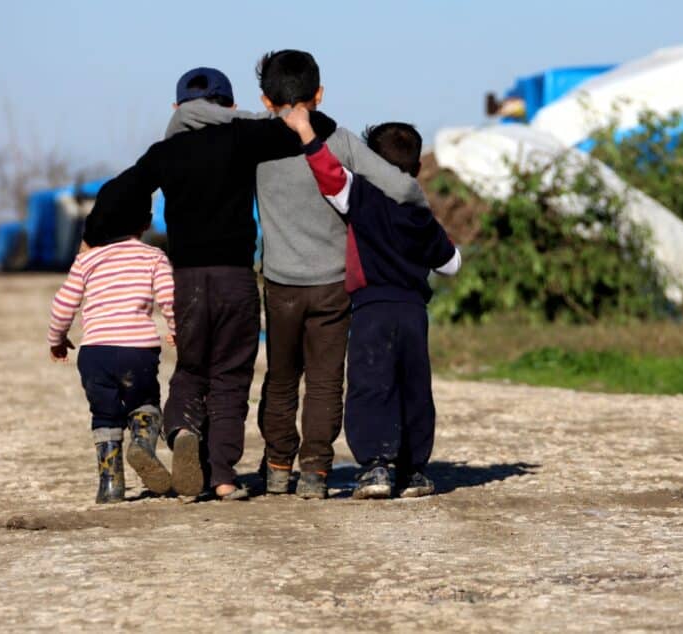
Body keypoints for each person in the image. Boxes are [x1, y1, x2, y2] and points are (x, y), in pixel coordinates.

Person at [82, 67, 337, 500]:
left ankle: (182, 429)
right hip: (235, 279)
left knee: (192, 369)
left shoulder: (166, 152)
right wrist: (264, 117)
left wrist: (90, 239)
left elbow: (118, 191)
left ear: (176, 108)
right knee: (231, 378)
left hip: (187, 282)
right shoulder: (242, 136)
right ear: (231, 106)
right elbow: (318, 125)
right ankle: (221, 476)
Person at [250, 50, 428, 499]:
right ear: (320, 94)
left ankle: (275, 466)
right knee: (327, 381)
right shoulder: (342, 141)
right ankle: (315, 471)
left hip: (280, 283)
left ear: (266, 101)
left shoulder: (254, 141)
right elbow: (402, 187)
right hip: (332, 284)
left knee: (282, 376)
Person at [283, 107, 461, 499]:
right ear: (415, 168)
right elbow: (451, 262)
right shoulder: (419, 213)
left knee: (371, 385)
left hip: (371, 309)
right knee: (413, 387)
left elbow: (329, 175)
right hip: (414, 313)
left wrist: (306, 134)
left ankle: (377, 467)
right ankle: (415, 472)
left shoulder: (361, 195)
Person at [47, 211, 175, 504]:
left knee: (104, 414)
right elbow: (169, 298)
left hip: (95, 354)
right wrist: (177, 329)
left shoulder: (87, 260)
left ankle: (110, 485)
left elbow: (63, 304)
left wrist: (57, 340)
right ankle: (142, 444)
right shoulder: (153, 256)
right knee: (144, 400)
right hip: (138, 351)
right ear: (145, 224)